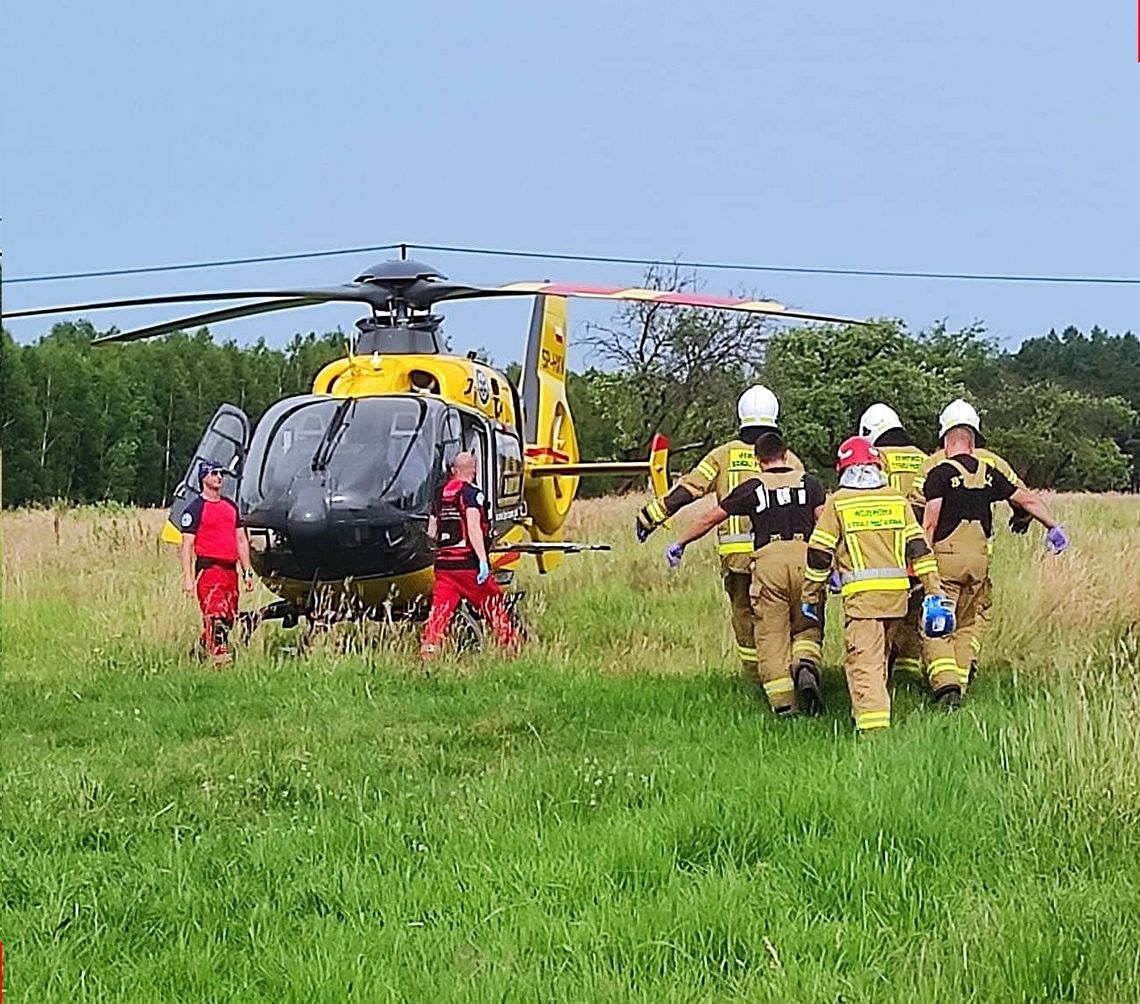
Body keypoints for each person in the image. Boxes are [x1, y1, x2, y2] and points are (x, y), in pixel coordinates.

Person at [635, 385, 803, 680]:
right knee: (784, 617)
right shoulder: (788, 459)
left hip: (737, 560)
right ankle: (792, 670)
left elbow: (689, 489)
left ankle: (757, 678)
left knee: (745, 618)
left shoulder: (722, 456)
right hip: (782, 556)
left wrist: (652, 515)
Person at [664, 429, 826, 716]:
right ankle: (805, 664)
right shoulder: (810, 483)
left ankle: (785, 705)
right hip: (805, 560)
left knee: (771, 635)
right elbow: (825, 525)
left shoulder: (752, 487)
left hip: (768, 565)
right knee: (807, 625)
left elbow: (710, 518)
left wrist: (680, 542)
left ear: (758, 460)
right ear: (786, 454)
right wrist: (832, 565)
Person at [920, 400, 1067, 704]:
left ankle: (946, 684)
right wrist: (1053, 526)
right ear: (973, 440)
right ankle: (960, 680)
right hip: (979, 563)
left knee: (937, 624)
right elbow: (1026, 501)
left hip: (946, 561)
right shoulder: (990, 473)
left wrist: (921, 560)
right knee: (968, 622)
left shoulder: (938, 473)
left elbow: (931, 521)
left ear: (946, 439)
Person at [802, 437, 951, 733]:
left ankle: (874, 731)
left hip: (863, 602)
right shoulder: (897, 500)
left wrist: (811, 594)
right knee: (879, 658)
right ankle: (877, 711)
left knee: (864, 664)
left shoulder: (839, 503)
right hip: (897, 599)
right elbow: (919, 549)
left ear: (841, 468)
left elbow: (819, 553)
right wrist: (934, 589)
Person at [909, 405, 1032, 682]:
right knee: (974, 616)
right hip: (980, 557)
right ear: (975, 434)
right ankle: (964, 668)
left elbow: (917, 508)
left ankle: (945, 678)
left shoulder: (933, 464)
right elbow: (1021, 496)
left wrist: (918, 556)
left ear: (944, 434)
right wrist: (1022, 518)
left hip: (941, 556)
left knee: (937, 616)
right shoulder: (993, 463)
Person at [420, 452, 519, 657]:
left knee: (439, 613)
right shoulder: (472, 494)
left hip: (444, 566)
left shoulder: (440, 494)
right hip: (467, 565)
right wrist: (483, 560)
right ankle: (511, 649)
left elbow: (431, 530)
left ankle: (428, 650)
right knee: (493, 605)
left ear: (454, 471)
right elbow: (473, 527)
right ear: (473, 471)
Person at [857, 403, 929, 681]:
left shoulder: (875, 459)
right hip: (921, 550)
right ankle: (906, 674)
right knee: (914, 614)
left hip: (884, 553)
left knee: (883, 619)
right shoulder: (925, 459)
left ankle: (880, 671)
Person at [179, 461, 254, 667]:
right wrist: (187, 578)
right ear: (204, 478)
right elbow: (186, 544)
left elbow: (241, 540)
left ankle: (201, 649)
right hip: (209, 570)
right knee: (216, 615)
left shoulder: (230, 507)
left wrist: (247, 571)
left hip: (231, 571)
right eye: (214, 473)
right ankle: (221, 659)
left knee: (229, 617)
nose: (219, 477)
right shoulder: (195, 509)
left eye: (221, 474)